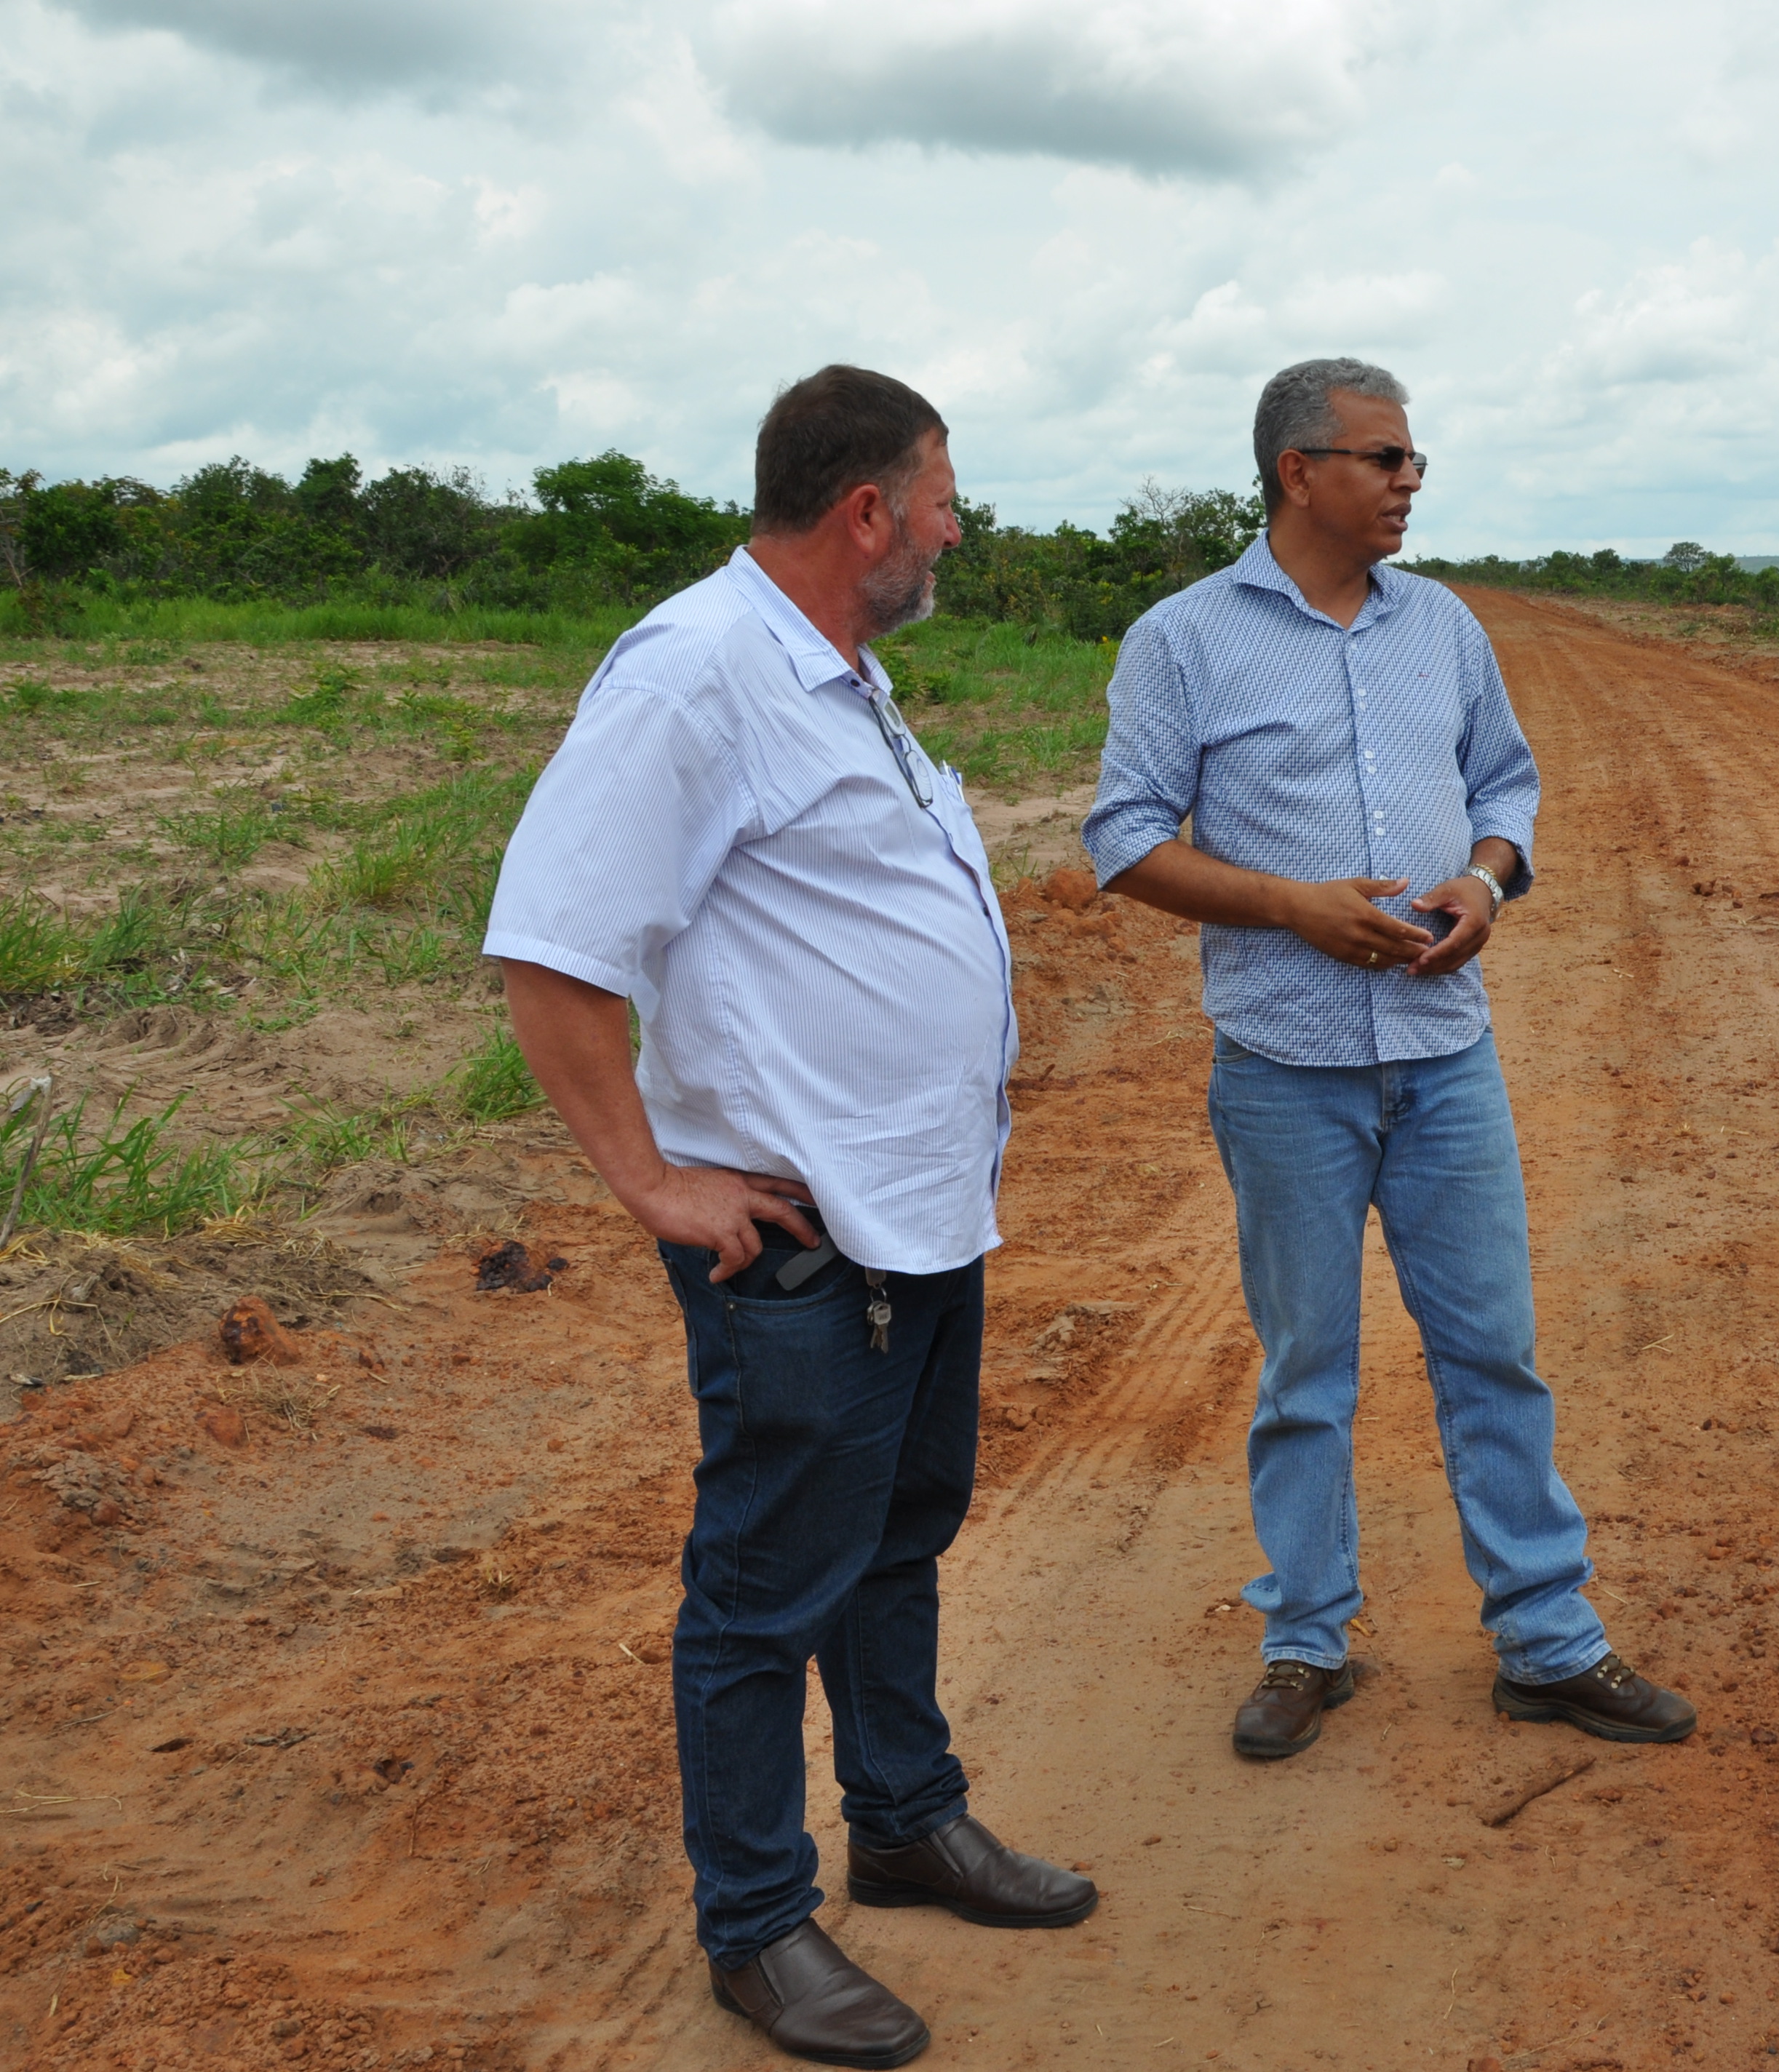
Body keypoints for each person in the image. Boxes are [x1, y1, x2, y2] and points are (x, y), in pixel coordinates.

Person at [489, 365, 1094, 2070]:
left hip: (919, 1208)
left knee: (897, 1530)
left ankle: (904, 1815)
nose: (958, 527)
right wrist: (650, 1179)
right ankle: (756, 1919)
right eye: (944, 497)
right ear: (868, 513)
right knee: (764, 1583)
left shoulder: (843, 673)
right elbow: (550, 955)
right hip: (798, 1238)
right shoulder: (696, 671)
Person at [1083, 356, 1695, 1761]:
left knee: (1494, 1352)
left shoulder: (1444, 627)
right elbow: (1125, 840)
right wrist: (1295, 907)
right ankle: (1307, 1639)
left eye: (1413, 460)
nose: (1411, 480)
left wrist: (1488, 881)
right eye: (1385, 458)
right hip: (1284, 1065)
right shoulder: (1182, 640)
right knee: (1308, 1367)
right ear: (1299, 472)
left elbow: (1506, 780)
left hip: (1444, 1055)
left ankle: (1547, 1639)